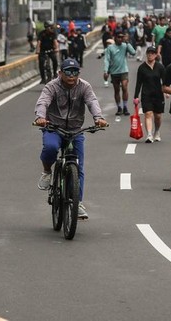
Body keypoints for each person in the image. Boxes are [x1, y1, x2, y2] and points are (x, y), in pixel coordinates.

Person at [34, 58, 107, 220]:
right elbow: (43, 102)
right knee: (51, 148)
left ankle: (77, 202)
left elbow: (92, 101)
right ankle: (47, 172)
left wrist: (98, 118)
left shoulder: (84, 87)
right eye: (68, 72)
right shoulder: (51, 86)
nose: (71, 76)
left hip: (75, 130)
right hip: (54, 127)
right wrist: (40, 117)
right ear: (60, 73)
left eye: (75, 72)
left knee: (78, 167)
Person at [134, 46, 166, 143]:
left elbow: (165, 81)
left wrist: (167, 91)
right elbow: (138, 83)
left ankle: (156, 131)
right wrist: (136, 96)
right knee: (148, 114)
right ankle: (149, 134)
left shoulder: (160, 67)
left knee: (158, 116)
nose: (150, 55)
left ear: (156, 55)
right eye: (149, 53)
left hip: (158, 94)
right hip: (146, 94)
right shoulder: (142, 68)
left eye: (152, 53)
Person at [103, 31, 137, 116]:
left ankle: (125, 106)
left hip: (124, 71)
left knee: (125, 87)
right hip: (114, 72)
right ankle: (119, 107)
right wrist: (106, 71)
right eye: (119, 37)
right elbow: (107, 59)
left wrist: (127, 42)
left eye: (122, 37)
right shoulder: (110, 48)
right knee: (117, 90)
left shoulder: (125, 46)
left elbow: (133, 52)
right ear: (115, 38)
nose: (120, 39)